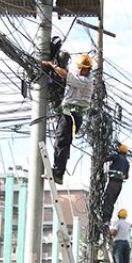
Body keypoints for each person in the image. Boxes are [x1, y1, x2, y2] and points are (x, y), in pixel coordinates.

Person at [41, 54, 94, 184]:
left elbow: (65, 75)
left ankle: (58, 173)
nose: (81, 70)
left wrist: (52, 65)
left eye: (84, 68)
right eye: (80, 68)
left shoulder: (85, 81)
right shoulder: (80, 78)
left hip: (71, 116)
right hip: (70, 115)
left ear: (88, 69)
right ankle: (58, 171)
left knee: (61, 143)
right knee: (62, 143)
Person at [101, 143, 130, 223]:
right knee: (112, 201)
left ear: (119, 151)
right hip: (119, 185)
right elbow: (127, 176)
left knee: (108, 200)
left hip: (113, 182)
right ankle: (108, 219)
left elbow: (105, 159)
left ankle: (105, 219)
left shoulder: (116, 156)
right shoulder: (127, 163)